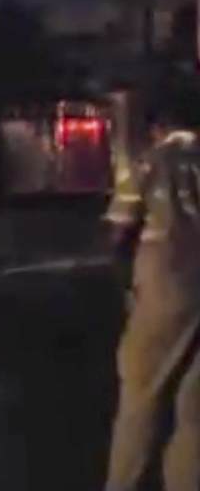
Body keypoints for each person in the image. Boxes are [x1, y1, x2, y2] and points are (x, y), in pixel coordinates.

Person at [103, 103, 200, 491]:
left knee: (141, 398)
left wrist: (128, 286)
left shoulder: (150, 160)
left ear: (160, 125)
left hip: (166, 284)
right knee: (195, 410)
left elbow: (119, 231)